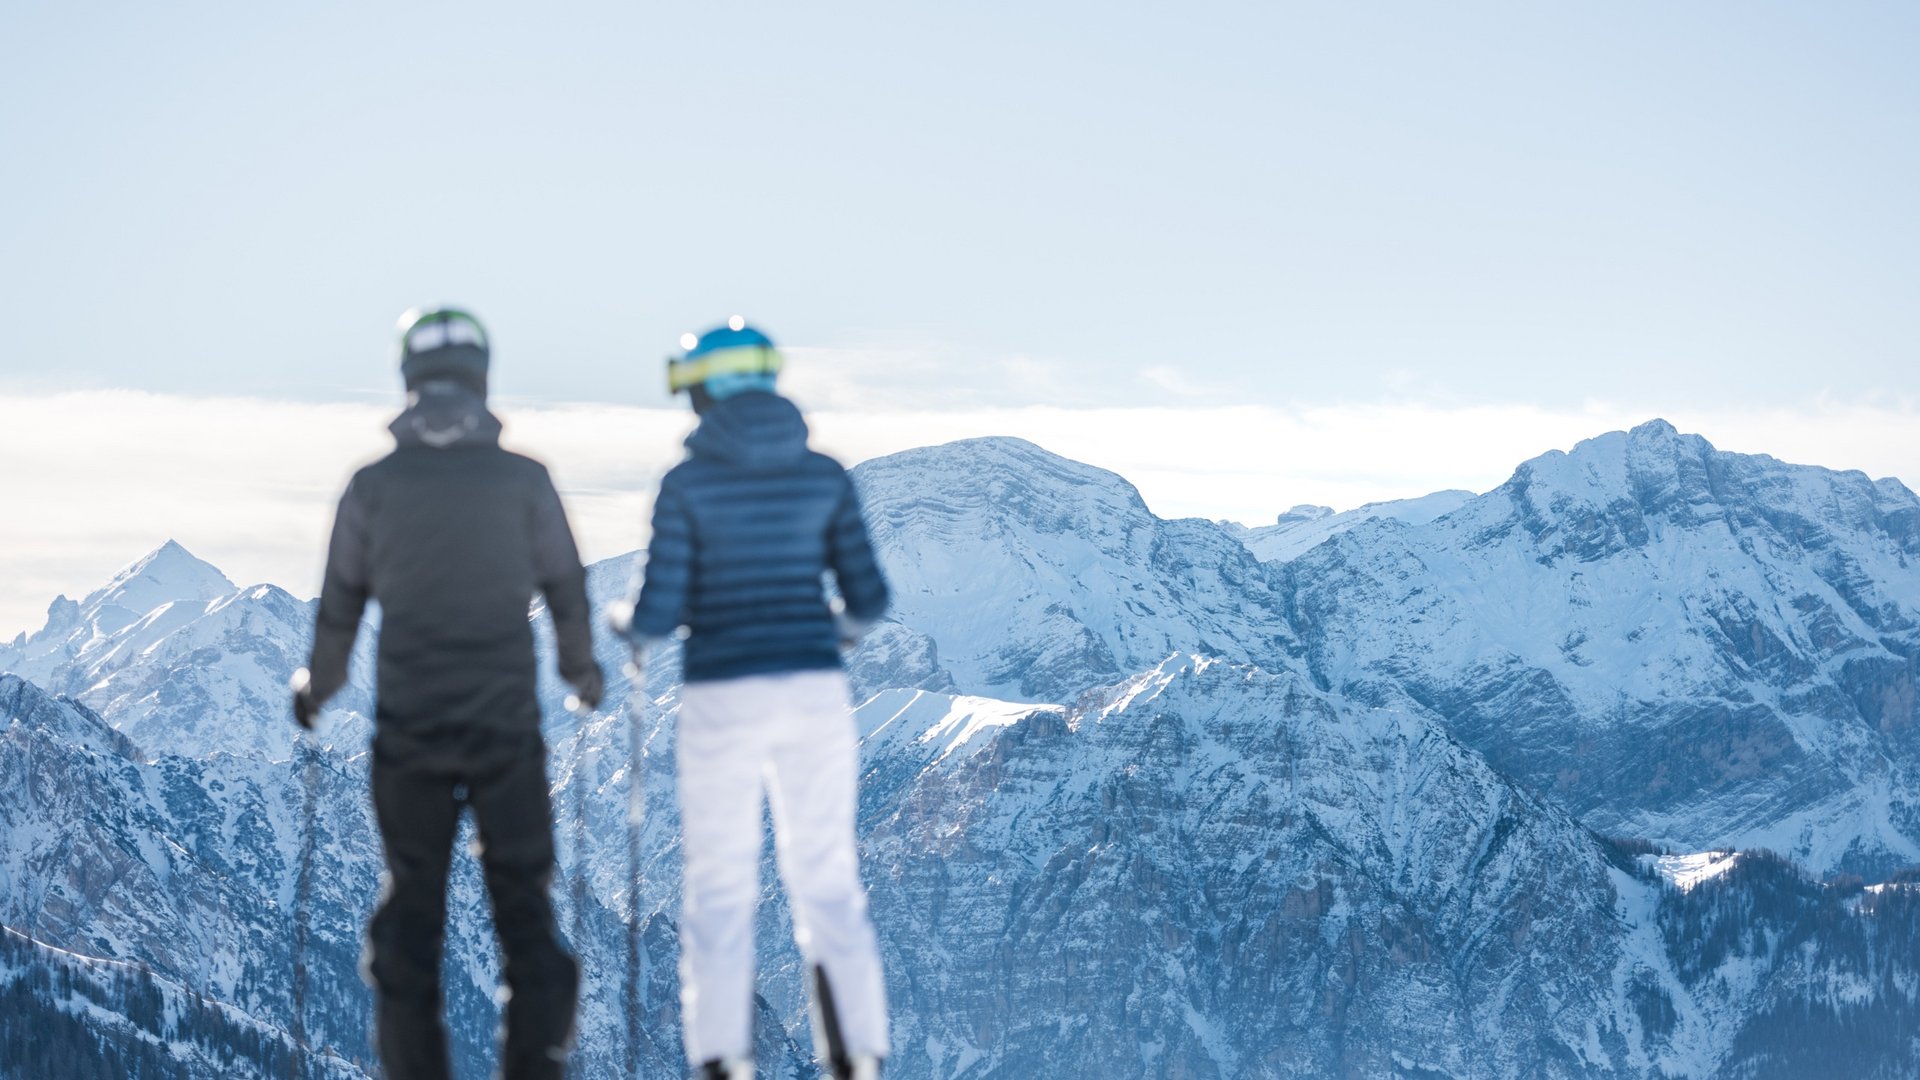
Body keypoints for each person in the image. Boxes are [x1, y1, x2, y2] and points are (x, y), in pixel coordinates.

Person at [291, 306, 603, 1080]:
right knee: (526, 917)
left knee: (410, 926)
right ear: (482, 376)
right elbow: (565, 587)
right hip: (506, 729)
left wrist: (317, 690)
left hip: (409, 734)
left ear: (407, 379)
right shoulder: (525, 480)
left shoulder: (371, 488)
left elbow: (340, 608)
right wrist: (581, 674)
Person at [614, 318, 890, 1080]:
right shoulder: (825, 475)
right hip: (813, 690)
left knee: (722, 879)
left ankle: (720, 1059)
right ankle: (857, 1054)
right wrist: (826, 632)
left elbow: (657, 614)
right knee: (826, 875)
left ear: (703, 389)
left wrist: (621, 624)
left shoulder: (687, 484)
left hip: (721, 695)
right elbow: (869, 599)